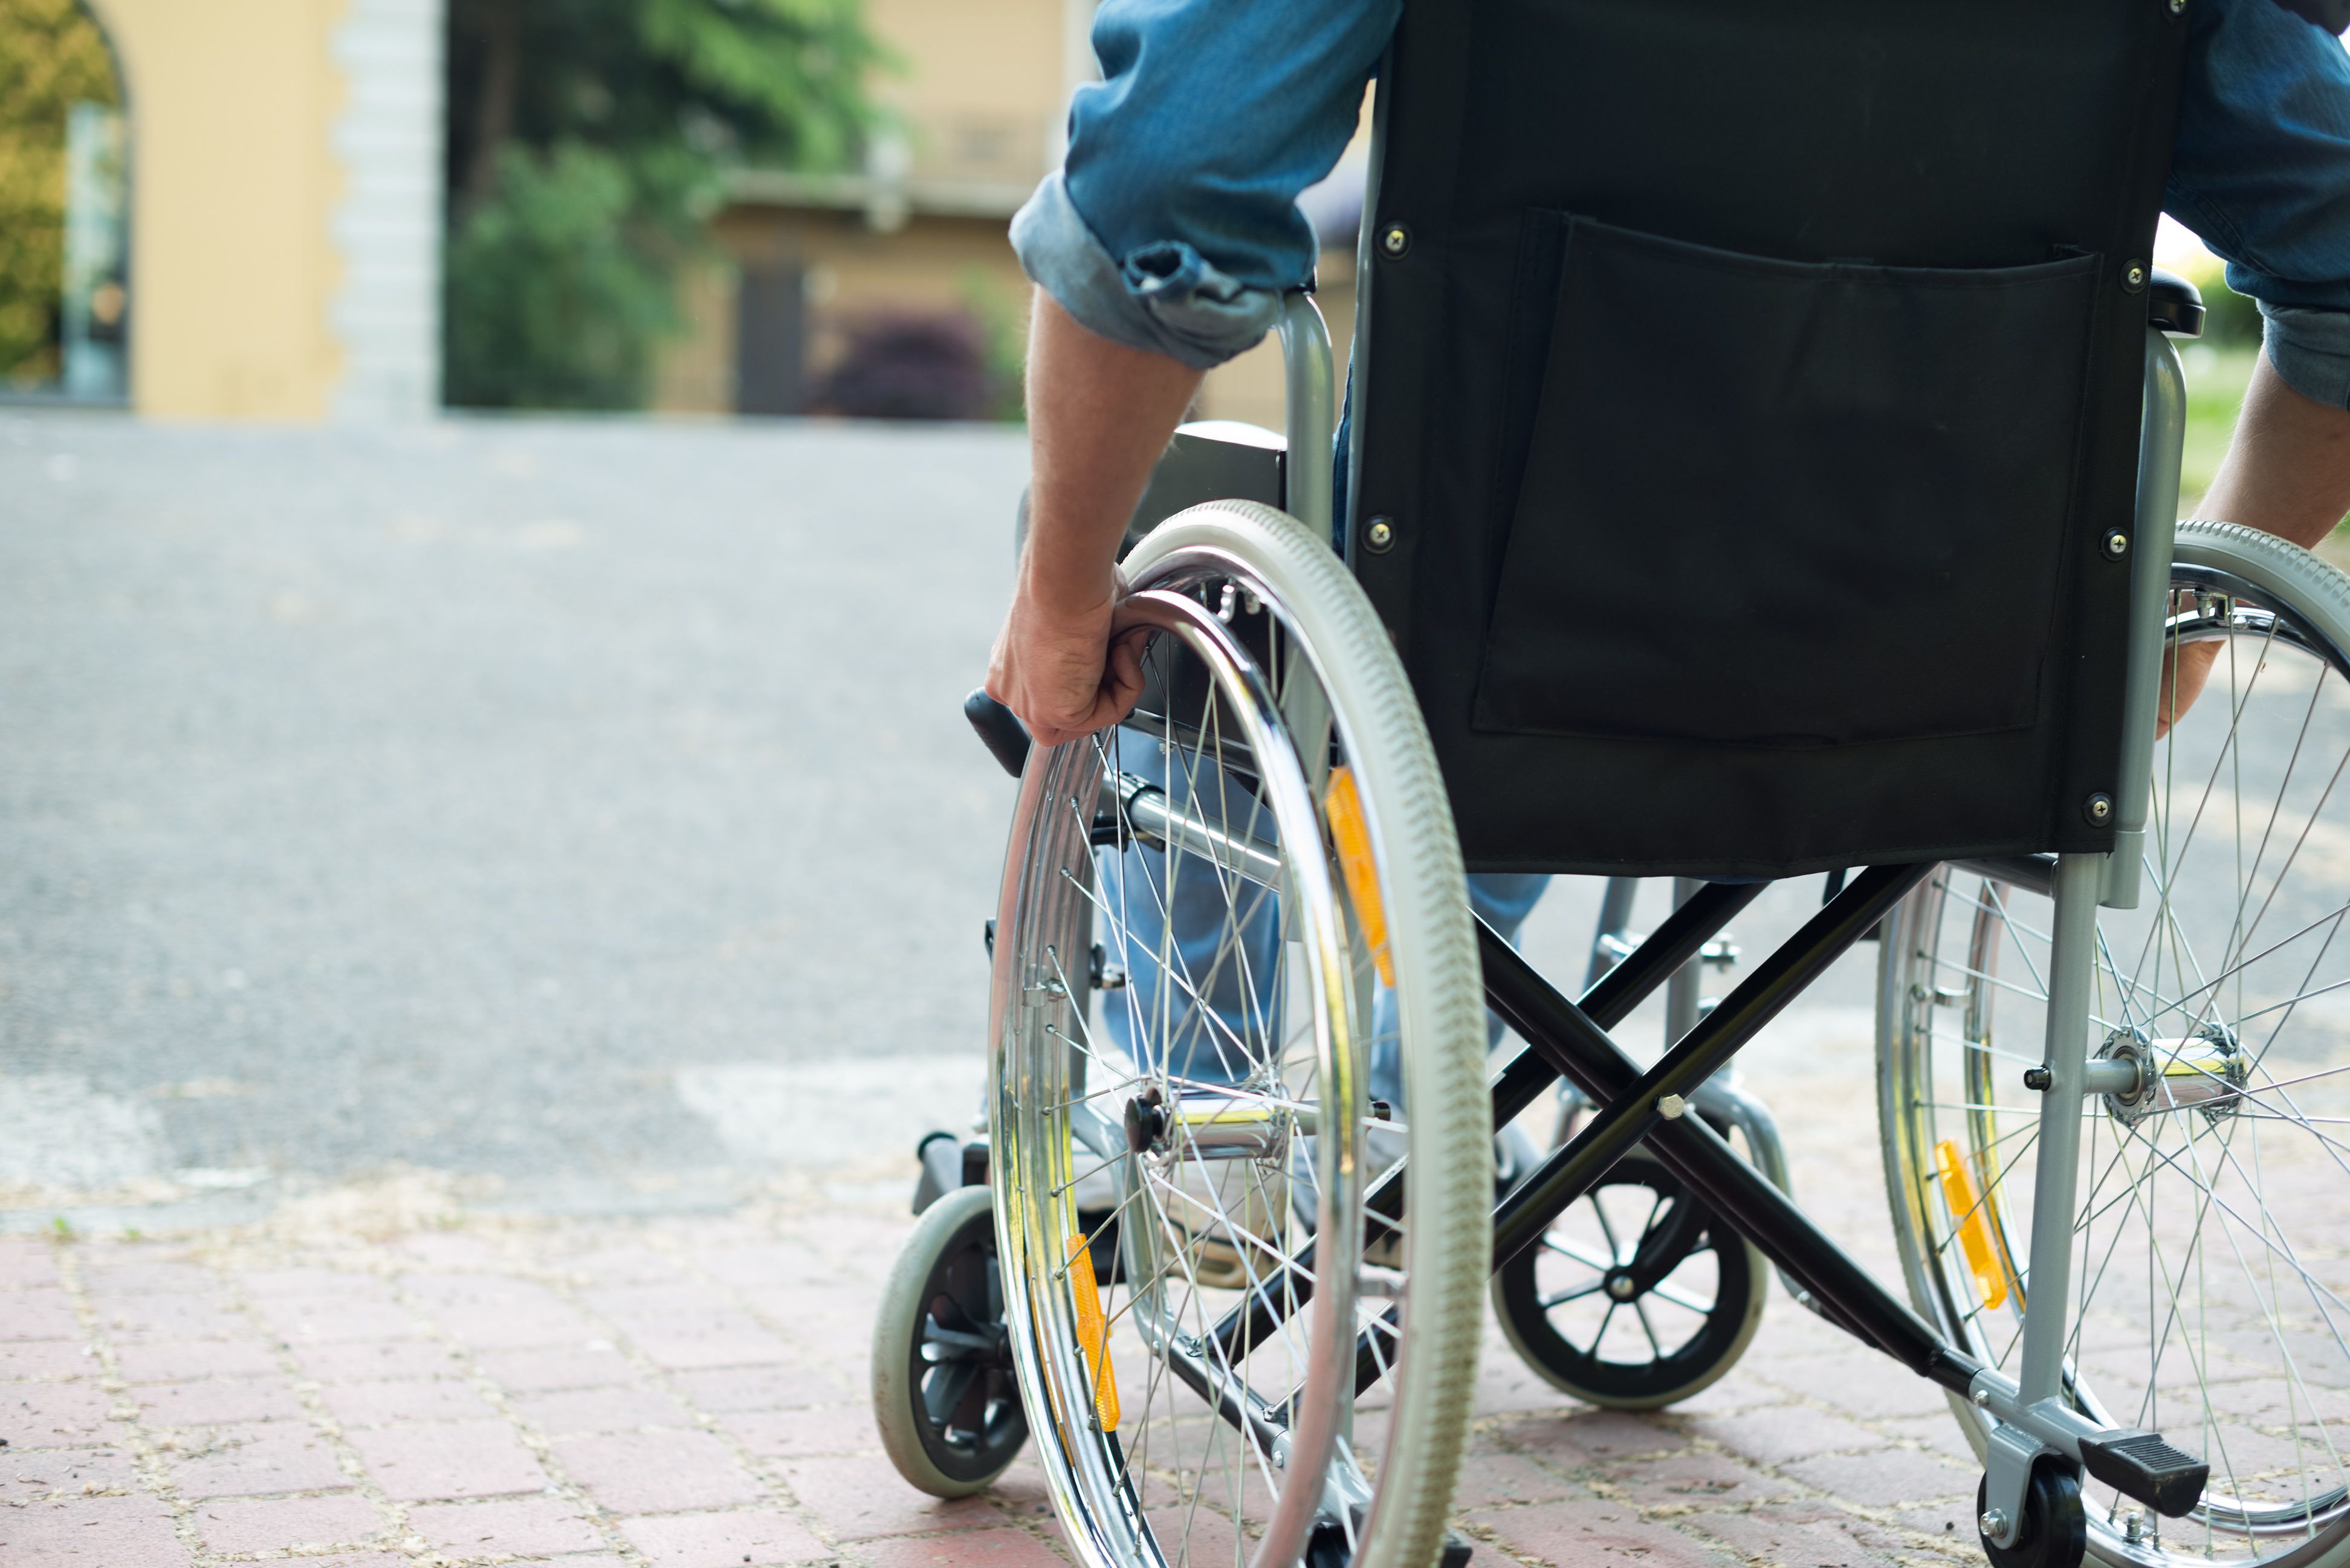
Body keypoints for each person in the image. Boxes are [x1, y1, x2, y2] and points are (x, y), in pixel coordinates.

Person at [988, 0, 2350, 750]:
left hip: (1508, 633)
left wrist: (1060, 597)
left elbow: (1160, 190)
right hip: (1946, 660)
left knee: (1184, 559)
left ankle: (1258, 1130)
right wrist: (2171, 621)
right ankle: (1440, 1086)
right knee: (1526, 554)